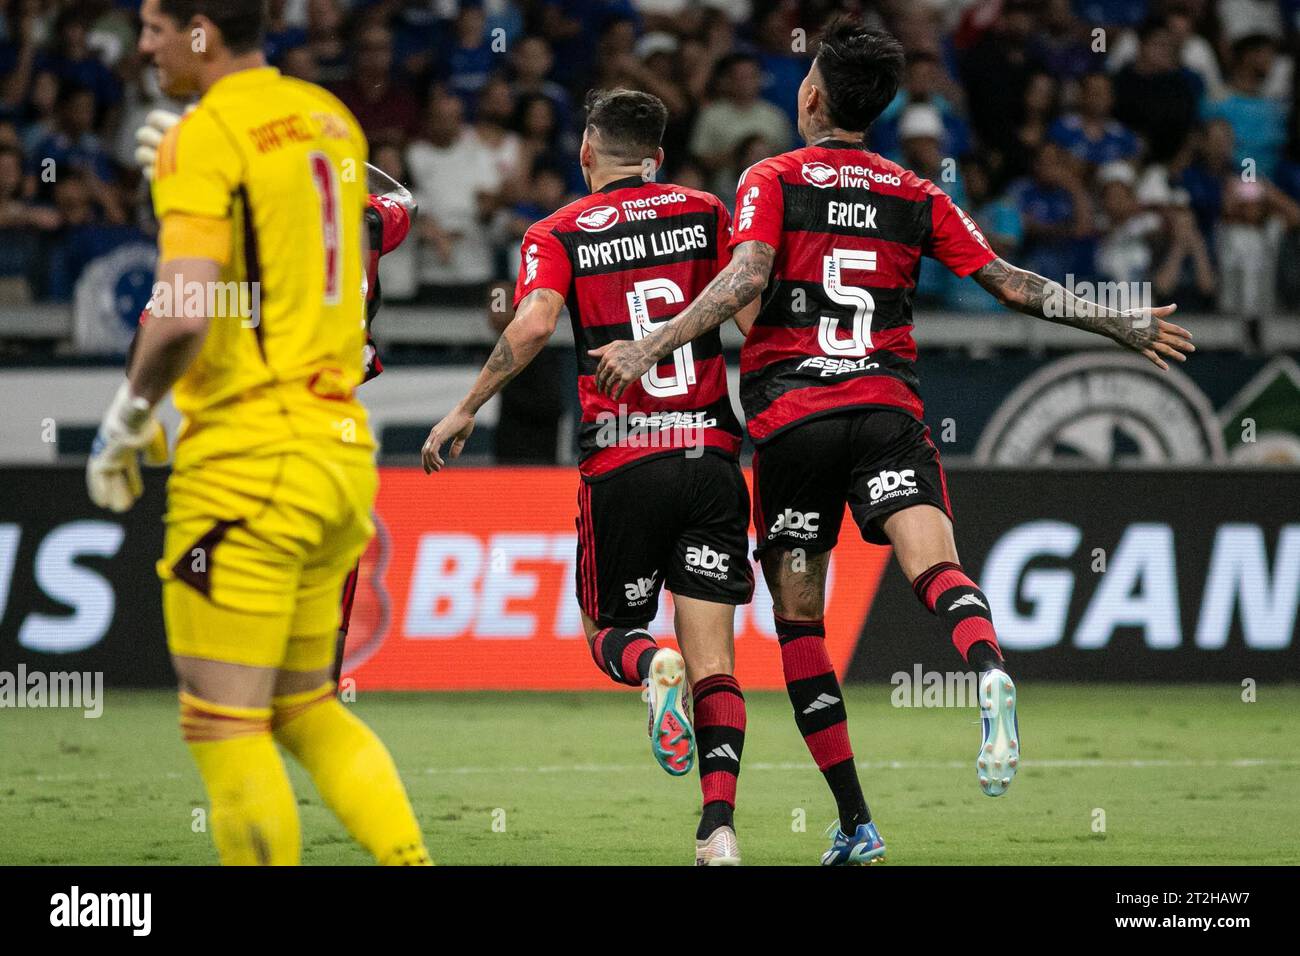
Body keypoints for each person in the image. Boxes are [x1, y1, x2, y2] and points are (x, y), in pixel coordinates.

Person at [591, 17, 1194, 866]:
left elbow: (747, 279)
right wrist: (1115, 321)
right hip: (886, 413)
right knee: (936, 569)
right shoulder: (914, 191)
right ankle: (985, 665)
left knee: (801, 627)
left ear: (811, 95)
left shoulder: (772, 176)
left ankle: (856, 823)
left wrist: (649, 345)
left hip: (794, 425)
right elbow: (1009, 282)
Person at [87, 0, 429, 866]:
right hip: (339, 450)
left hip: (247, 459)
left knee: (224, 724)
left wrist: (125, 422)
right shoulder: (331, 119)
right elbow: (286, 230)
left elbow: (180, 314)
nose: (144, 44)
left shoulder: (200, 139)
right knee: (305, 709)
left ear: (201, 29)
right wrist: (195, 149)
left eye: (155, 27)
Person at [421, 88, 757, 865]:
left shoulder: (559, 230)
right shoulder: (707, 210)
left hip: (622, 460)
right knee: (720, 666)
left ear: (584, 153)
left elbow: (534, 322)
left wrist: (467, 407)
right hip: (709, 455)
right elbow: (749, 312)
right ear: (659, 157)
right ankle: (718, 830)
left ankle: (649, 666)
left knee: (609, 634)